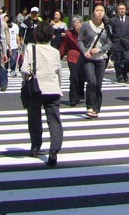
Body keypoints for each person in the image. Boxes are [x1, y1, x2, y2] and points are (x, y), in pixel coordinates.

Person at [21, 20, 63, 166]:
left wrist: (25, 83)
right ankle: (54, 150)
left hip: (36, 88)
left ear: (36, 34)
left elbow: (25, 70)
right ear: (51, 36)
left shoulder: (30, 48)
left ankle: (35, 146)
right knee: (54, 120)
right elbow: (59, 73)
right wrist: (59, 87)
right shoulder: (56, 52)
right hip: (52, 88)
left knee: (34, 118)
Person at [79, 4, 112, 118]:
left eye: (102, 11)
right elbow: (80, 40)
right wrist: (84, 52)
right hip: (89, 58)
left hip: (101, 59)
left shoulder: (107, 27)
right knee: (91, 82)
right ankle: (89, 107)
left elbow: (109, 43)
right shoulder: (86, 25)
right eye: (97, 10)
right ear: (93, 12)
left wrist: (100, 49)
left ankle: (96, 108)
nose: (99, 12)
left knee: (98, 84)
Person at [59, 18, 85, 106]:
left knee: (81, 76)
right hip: (72, 56)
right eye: (75, 24)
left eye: (79, 23)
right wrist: (59, 56)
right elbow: (63, 45)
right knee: (74, 77)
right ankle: (73, 98)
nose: (78, 25)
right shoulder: (69, 34)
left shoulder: (85, 33)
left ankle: (79, 94)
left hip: (83, 57)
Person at [109, 3, 129, 83]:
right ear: (117, 10)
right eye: (120, 9)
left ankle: (125, 72)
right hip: (116, 43)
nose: (122, 10)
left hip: (126, 43)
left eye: (123, 8)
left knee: (128, 60)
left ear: (125, 10)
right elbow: (110, 32)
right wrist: (111, 42)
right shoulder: (113, 20)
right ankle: (119, 76)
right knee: (118, 62)